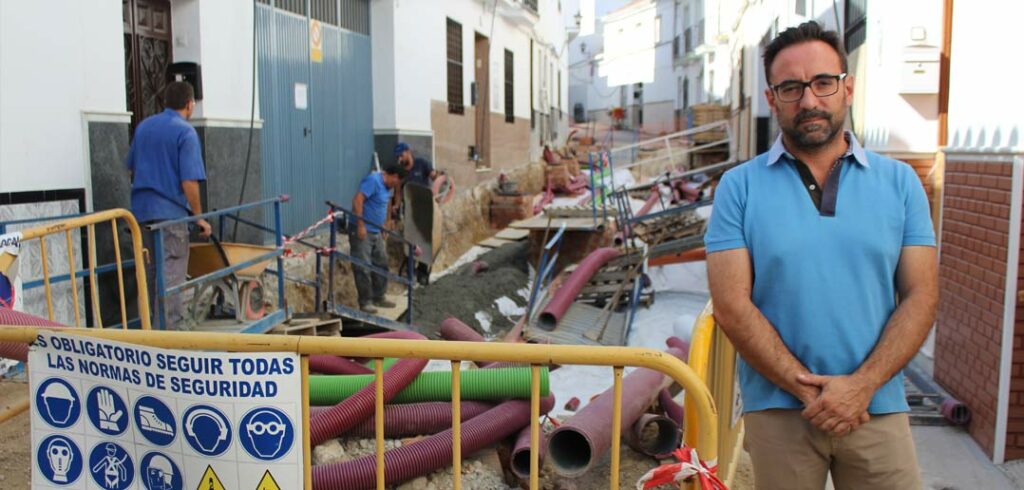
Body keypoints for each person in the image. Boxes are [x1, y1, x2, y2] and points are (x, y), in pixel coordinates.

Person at [704, 21, 937, 489]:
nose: (809, 100)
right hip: (779, 412)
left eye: (823, 83)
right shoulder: (739, 187)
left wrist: (861, 387)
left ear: (847, 88)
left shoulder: (901, 183)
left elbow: (922, 295)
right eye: (791, 87)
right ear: (772, 99)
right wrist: (809, 389)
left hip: (878, 407)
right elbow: (731, 304)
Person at [127, 81, 211, 330]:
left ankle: (153, 329)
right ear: (189, 104)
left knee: (153, 271)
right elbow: (189, 181)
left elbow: (131, 165)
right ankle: (170, 335)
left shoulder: (144, 127)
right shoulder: (185, 133)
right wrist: (198, 217)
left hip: (141, 213)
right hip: (171, 215)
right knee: (172, 272)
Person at [351, 163, 406, 313]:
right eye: (397, 182)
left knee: (381, 263)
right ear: (394, 176)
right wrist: (360, 225)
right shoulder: (373, 181)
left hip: (377, 231)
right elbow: (357, 200)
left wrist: (387, 222)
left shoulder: (389, 187)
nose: (397, 186)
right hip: (363, 231)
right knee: (362, 266)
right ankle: (365, 302)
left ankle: (379, 296)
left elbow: (387, 203)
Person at [394, 142, 437, 285]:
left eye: (401, 155)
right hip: (410, 212)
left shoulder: (421, 164)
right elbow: (399, 190)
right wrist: (397, 205)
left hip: (425, 210)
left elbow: (433, 177)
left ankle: (423, 273)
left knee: (424, 241)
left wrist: (438, 177)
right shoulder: (401, 171)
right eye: (398, 157)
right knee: (411, 242)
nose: (400, 159)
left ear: (408, 152)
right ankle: (410, 272)